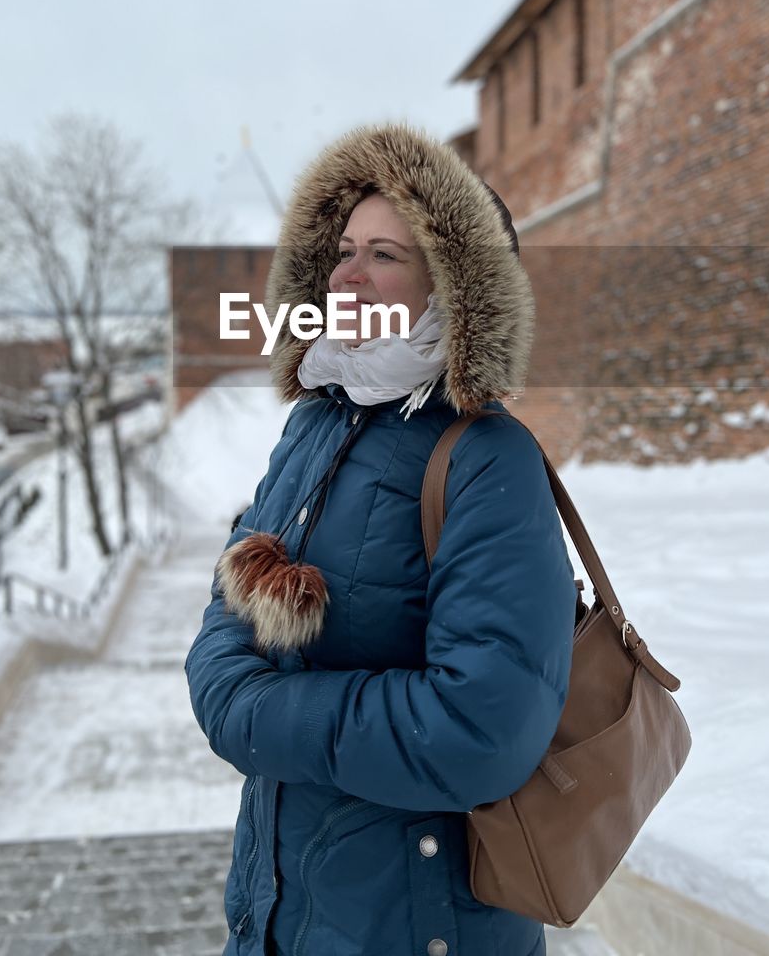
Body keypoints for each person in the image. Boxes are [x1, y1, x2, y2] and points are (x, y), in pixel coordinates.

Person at [185, 121, 578, 956]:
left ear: (455, 286)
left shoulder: (486, 459)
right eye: (345, 249)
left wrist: (258, 709)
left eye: (386, 256)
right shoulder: (315, 425)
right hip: (277, 915)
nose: (349, 275)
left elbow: (482, 730)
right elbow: (231, 597)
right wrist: (229, 687)